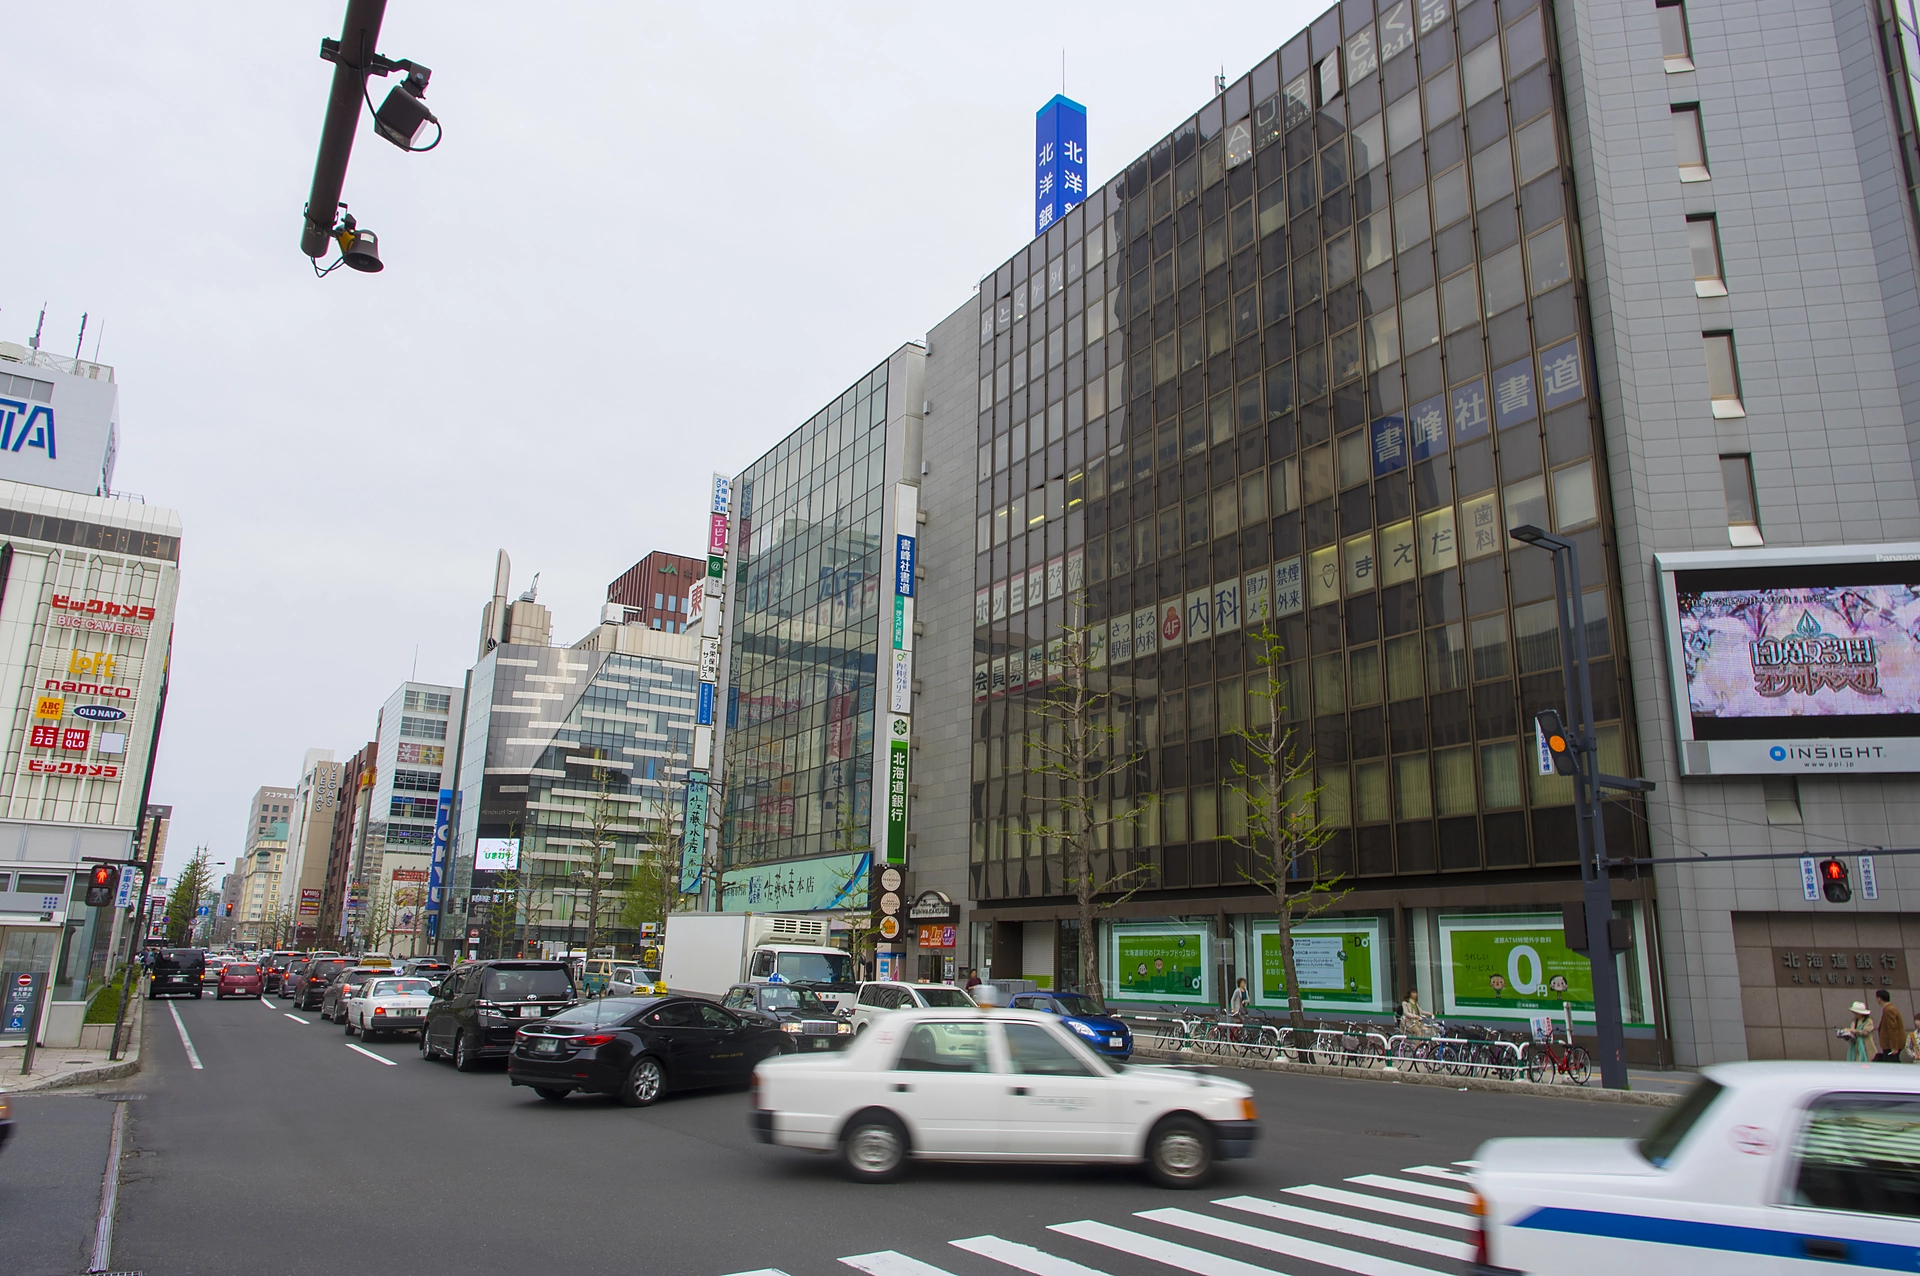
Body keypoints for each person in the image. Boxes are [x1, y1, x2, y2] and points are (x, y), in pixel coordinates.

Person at [1875, 988, 1907, 1063]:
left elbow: (1892, 1028)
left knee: (1891, 1065)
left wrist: (1894, 1047)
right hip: (1891, 1045)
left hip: (1890, 1046)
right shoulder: (1890, 1009)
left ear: (1879, 999)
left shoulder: (1889, 1010)